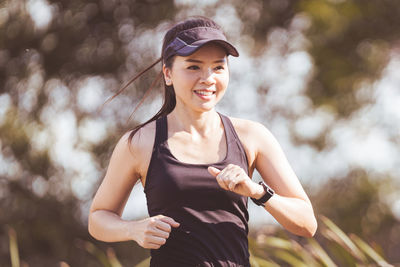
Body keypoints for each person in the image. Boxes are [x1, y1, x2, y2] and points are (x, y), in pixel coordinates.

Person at [88, 16, 317, 267]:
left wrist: (256, 191)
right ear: (168, 73)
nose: (208, 78)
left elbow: (307, 223)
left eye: (218, 67)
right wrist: (132, 230)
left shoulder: (253, 136)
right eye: (194, 67)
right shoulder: (139, 143)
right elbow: (98, 218)